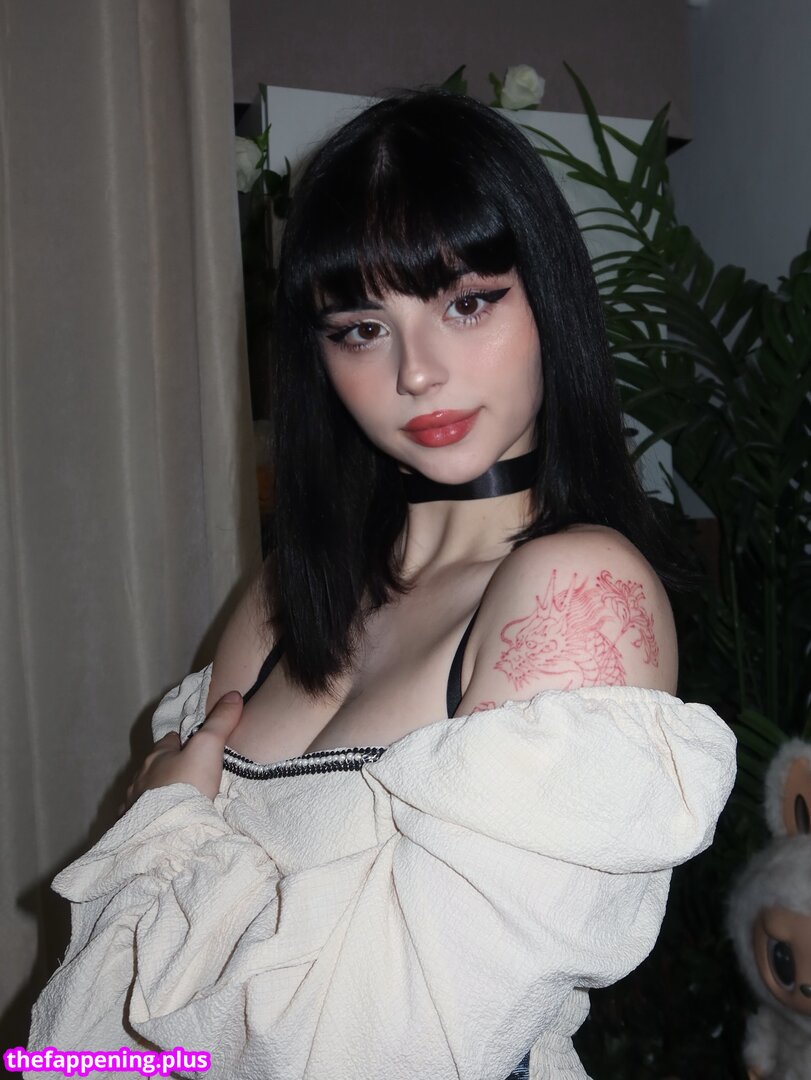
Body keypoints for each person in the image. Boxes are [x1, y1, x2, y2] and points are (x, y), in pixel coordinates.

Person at [26, 89, 736, 1080]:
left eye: (466, 303)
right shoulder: (287, 592)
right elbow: (85, 1042)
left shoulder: (573, 591)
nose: (417, 372)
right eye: (362, 328)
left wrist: (163, 831)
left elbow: (386, 1048)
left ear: (549, 301)